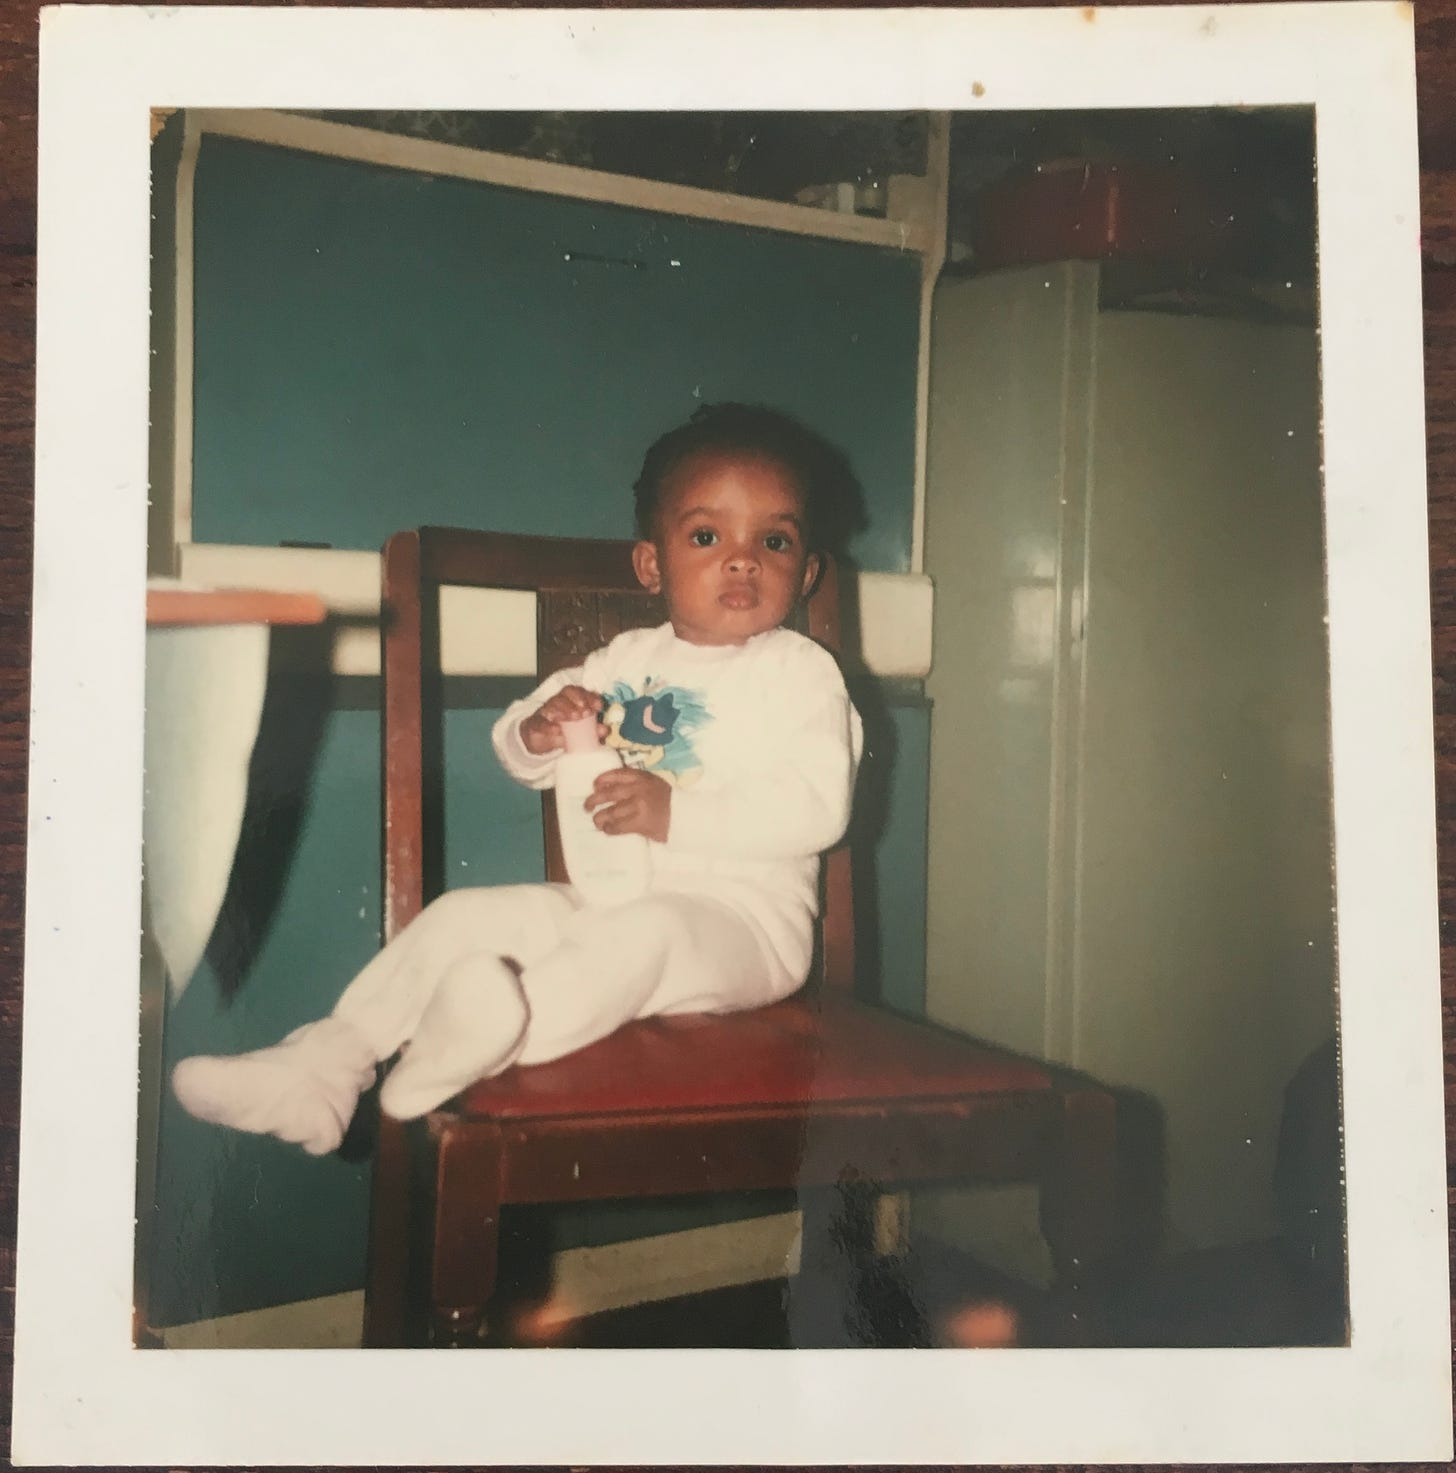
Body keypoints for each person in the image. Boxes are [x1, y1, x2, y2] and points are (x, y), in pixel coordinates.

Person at [172, 403, 865, 1155]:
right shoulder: (623, 659)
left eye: (775, 539)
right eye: (706, 535)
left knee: (648, 935)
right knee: (466, 916)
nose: (742, 559)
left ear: (807, 571)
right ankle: (323, 1065)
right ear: (651, 563)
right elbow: (517, 742)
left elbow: (817, 807)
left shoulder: (800, 673)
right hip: (608, 895)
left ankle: (492, 1032)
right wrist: (536, 728)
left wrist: (675, 814)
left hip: (745, 925)